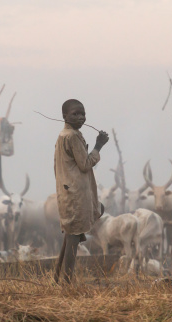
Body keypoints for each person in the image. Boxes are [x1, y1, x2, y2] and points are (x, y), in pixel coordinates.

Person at [53, 99, 109, 284]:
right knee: (73, 238)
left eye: (83, 114)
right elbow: (85, 164)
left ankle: (58, 278)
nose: (80, 117)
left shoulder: (65, 135)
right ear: (65, 116)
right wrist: (98, 146)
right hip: (75, 194)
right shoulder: (72, 136)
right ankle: (67, 282)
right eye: (75, 114)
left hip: (71, 192)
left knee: (74, 232)